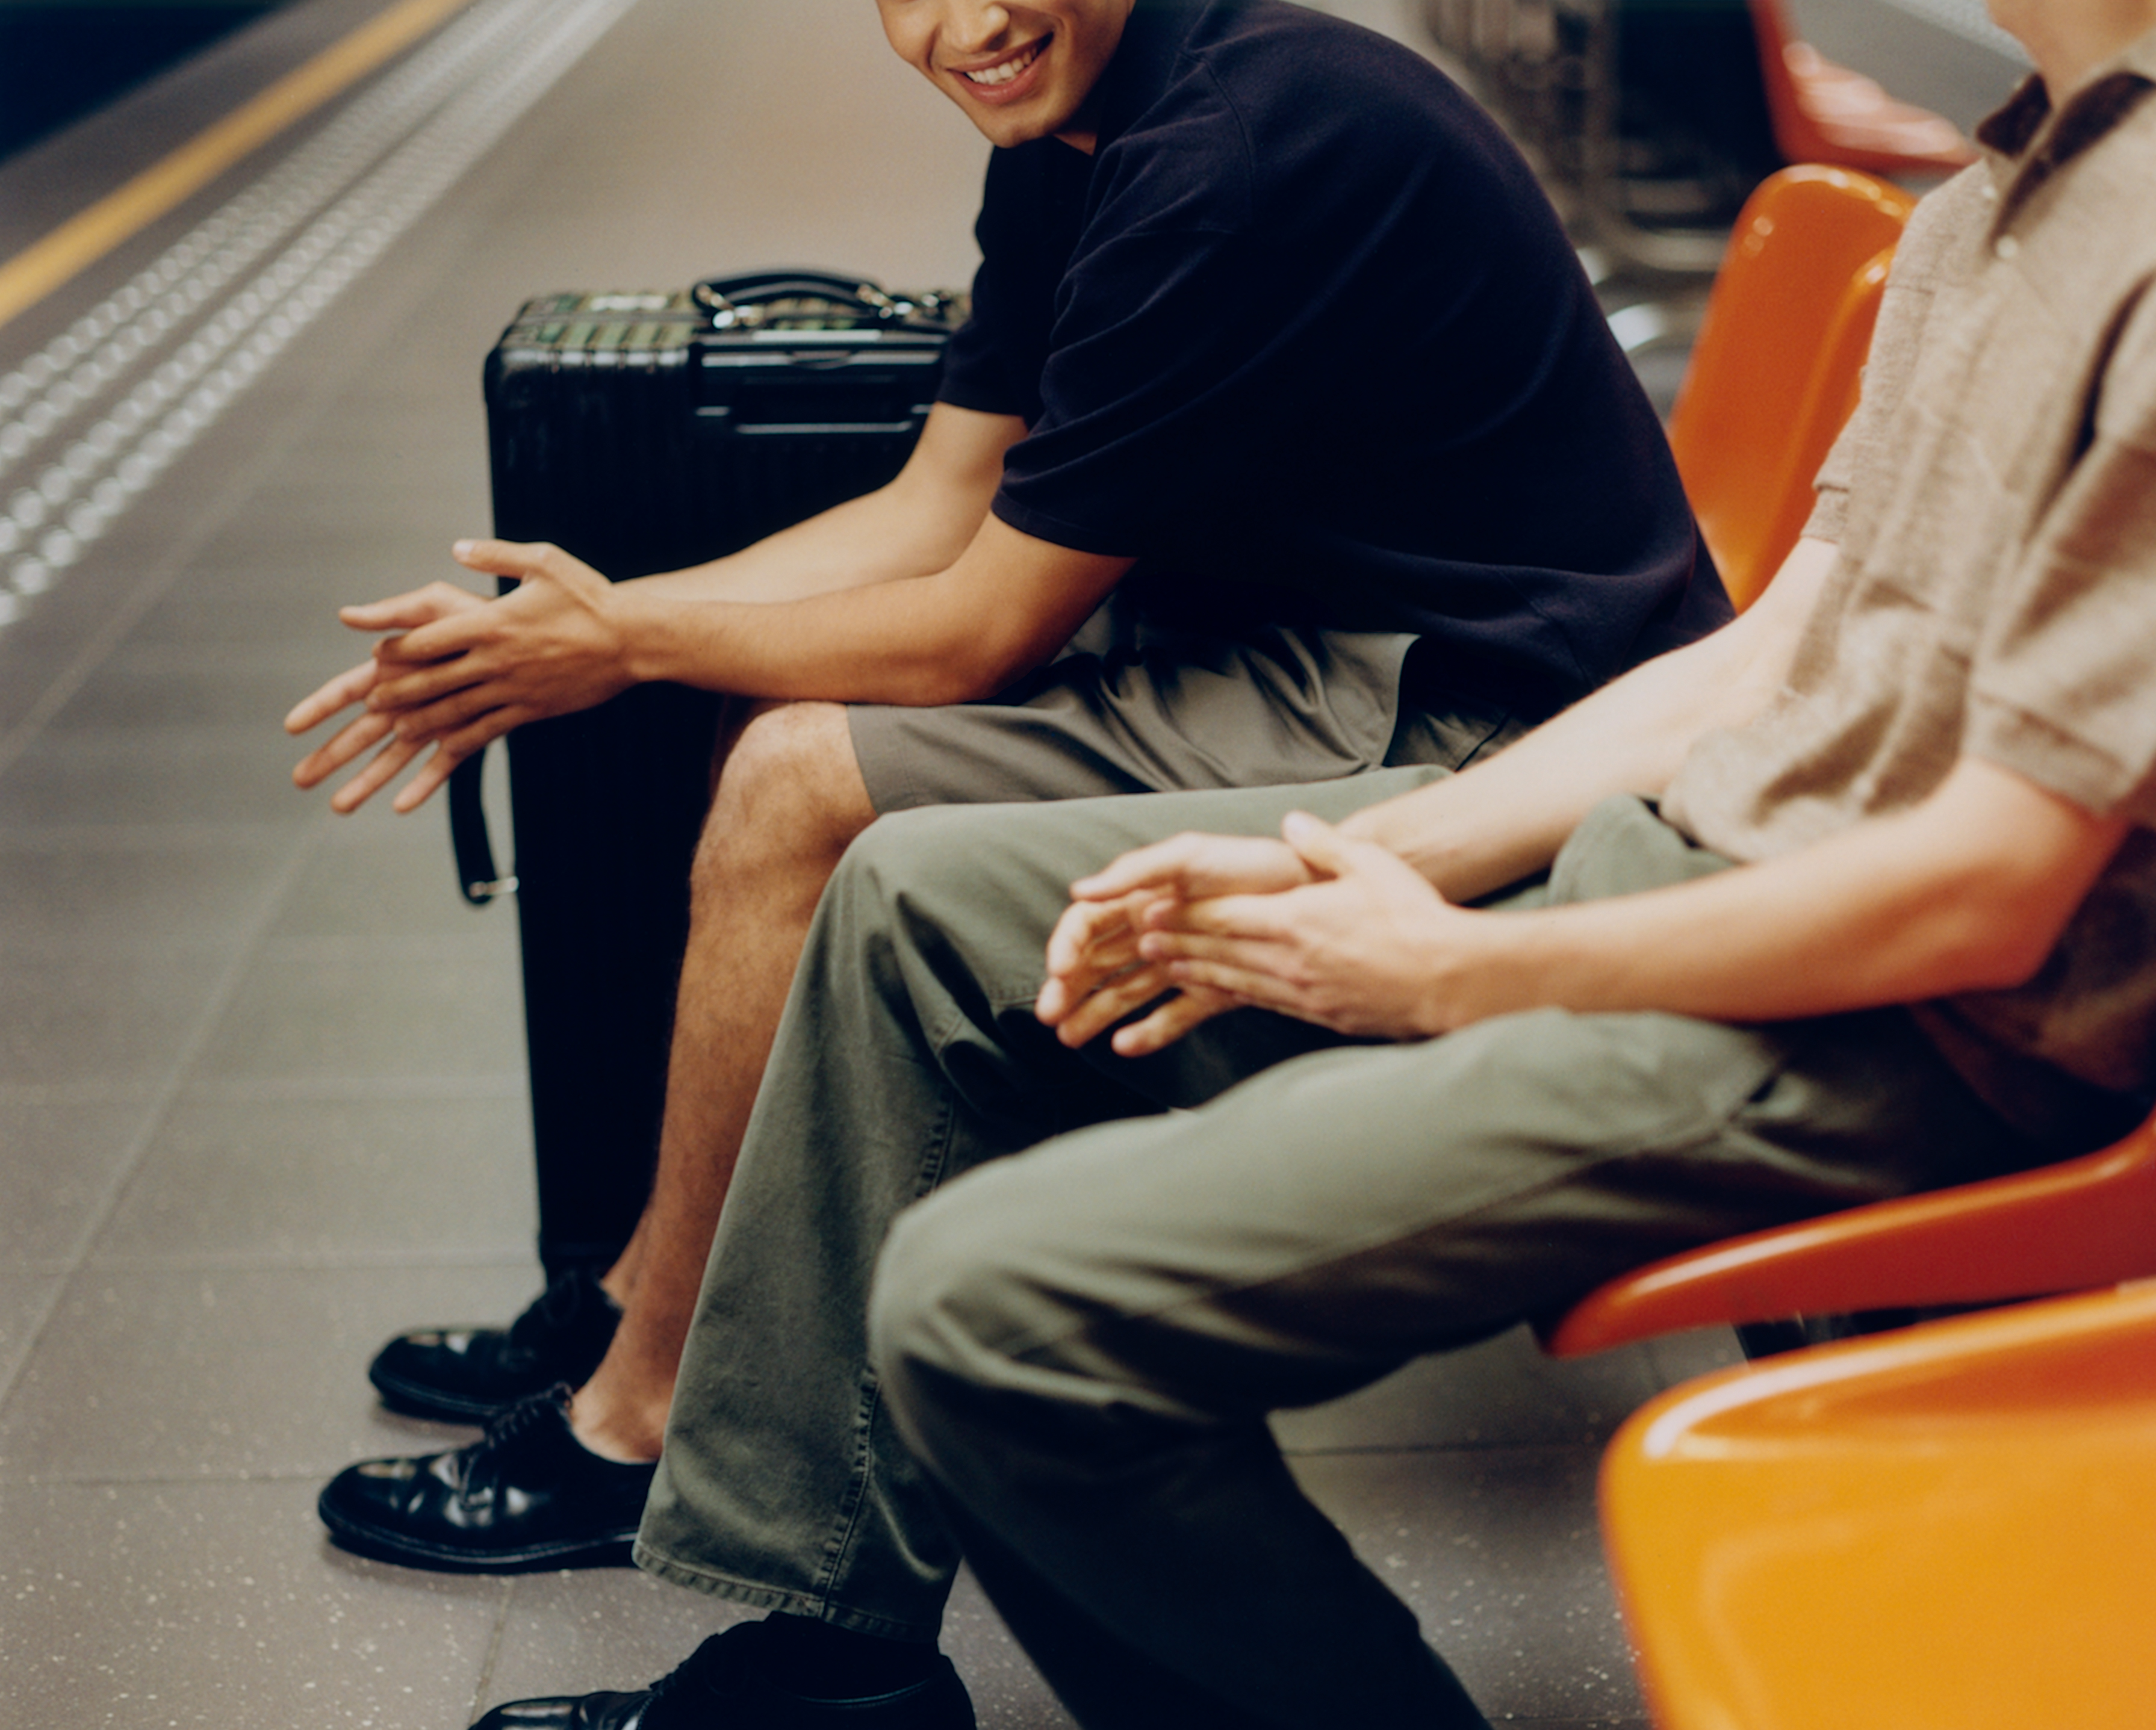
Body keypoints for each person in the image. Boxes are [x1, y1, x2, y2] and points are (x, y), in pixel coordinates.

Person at [454, 0, 2156, 1730]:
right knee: (914, 904)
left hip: (1893, 1032)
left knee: (996, 1315)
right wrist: (1381, 857)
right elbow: (1763, 656)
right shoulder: (2025, 168)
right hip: (1699, 885)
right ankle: (817, 1652)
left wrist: (1467, 970)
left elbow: (1990, 892)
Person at [294, 0, 1726, 1572]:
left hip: (1485, 723)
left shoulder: (1227, 152)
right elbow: (940, 504)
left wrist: (626, 641)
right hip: (1322, 647)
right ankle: (653, 1296)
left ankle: (636, 1425)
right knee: (774, 705)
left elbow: (979, 629)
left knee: (795, 784)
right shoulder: (1077, 122)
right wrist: (586, 629)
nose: (969, 22)